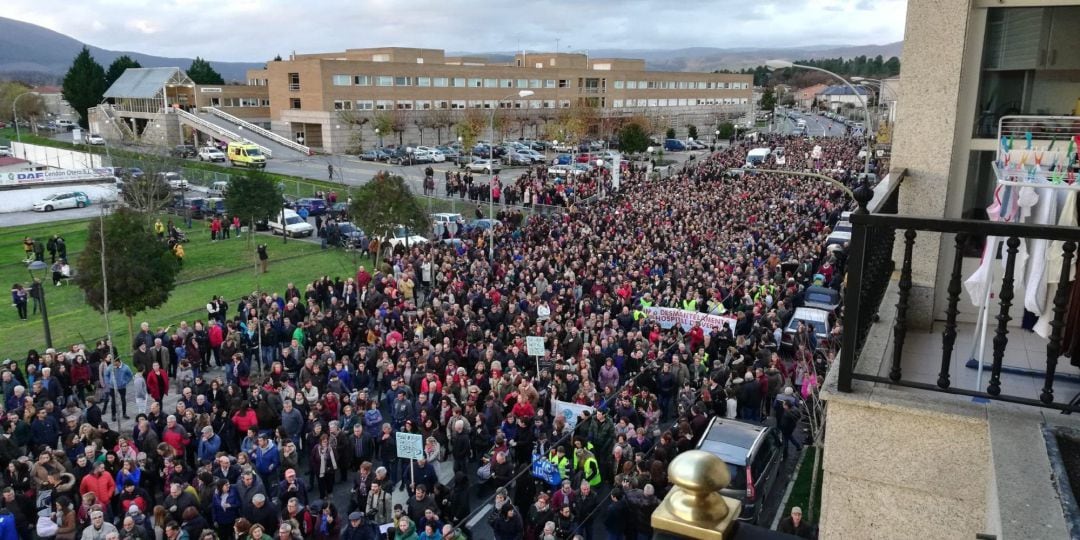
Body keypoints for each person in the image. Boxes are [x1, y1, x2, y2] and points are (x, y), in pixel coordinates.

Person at [101, 354, 134, 421]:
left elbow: (130, 375)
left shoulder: (125, 367)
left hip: (122, 386)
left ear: (118, 362)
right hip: (112, 387)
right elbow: (106, 375)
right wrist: (108, 382)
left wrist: (125, 382)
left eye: (114, 363)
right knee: (113, 400)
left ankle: (124, 414)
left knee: (123, 399)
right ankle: (113, 415)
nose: (113, 365)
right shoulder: (110, 367)